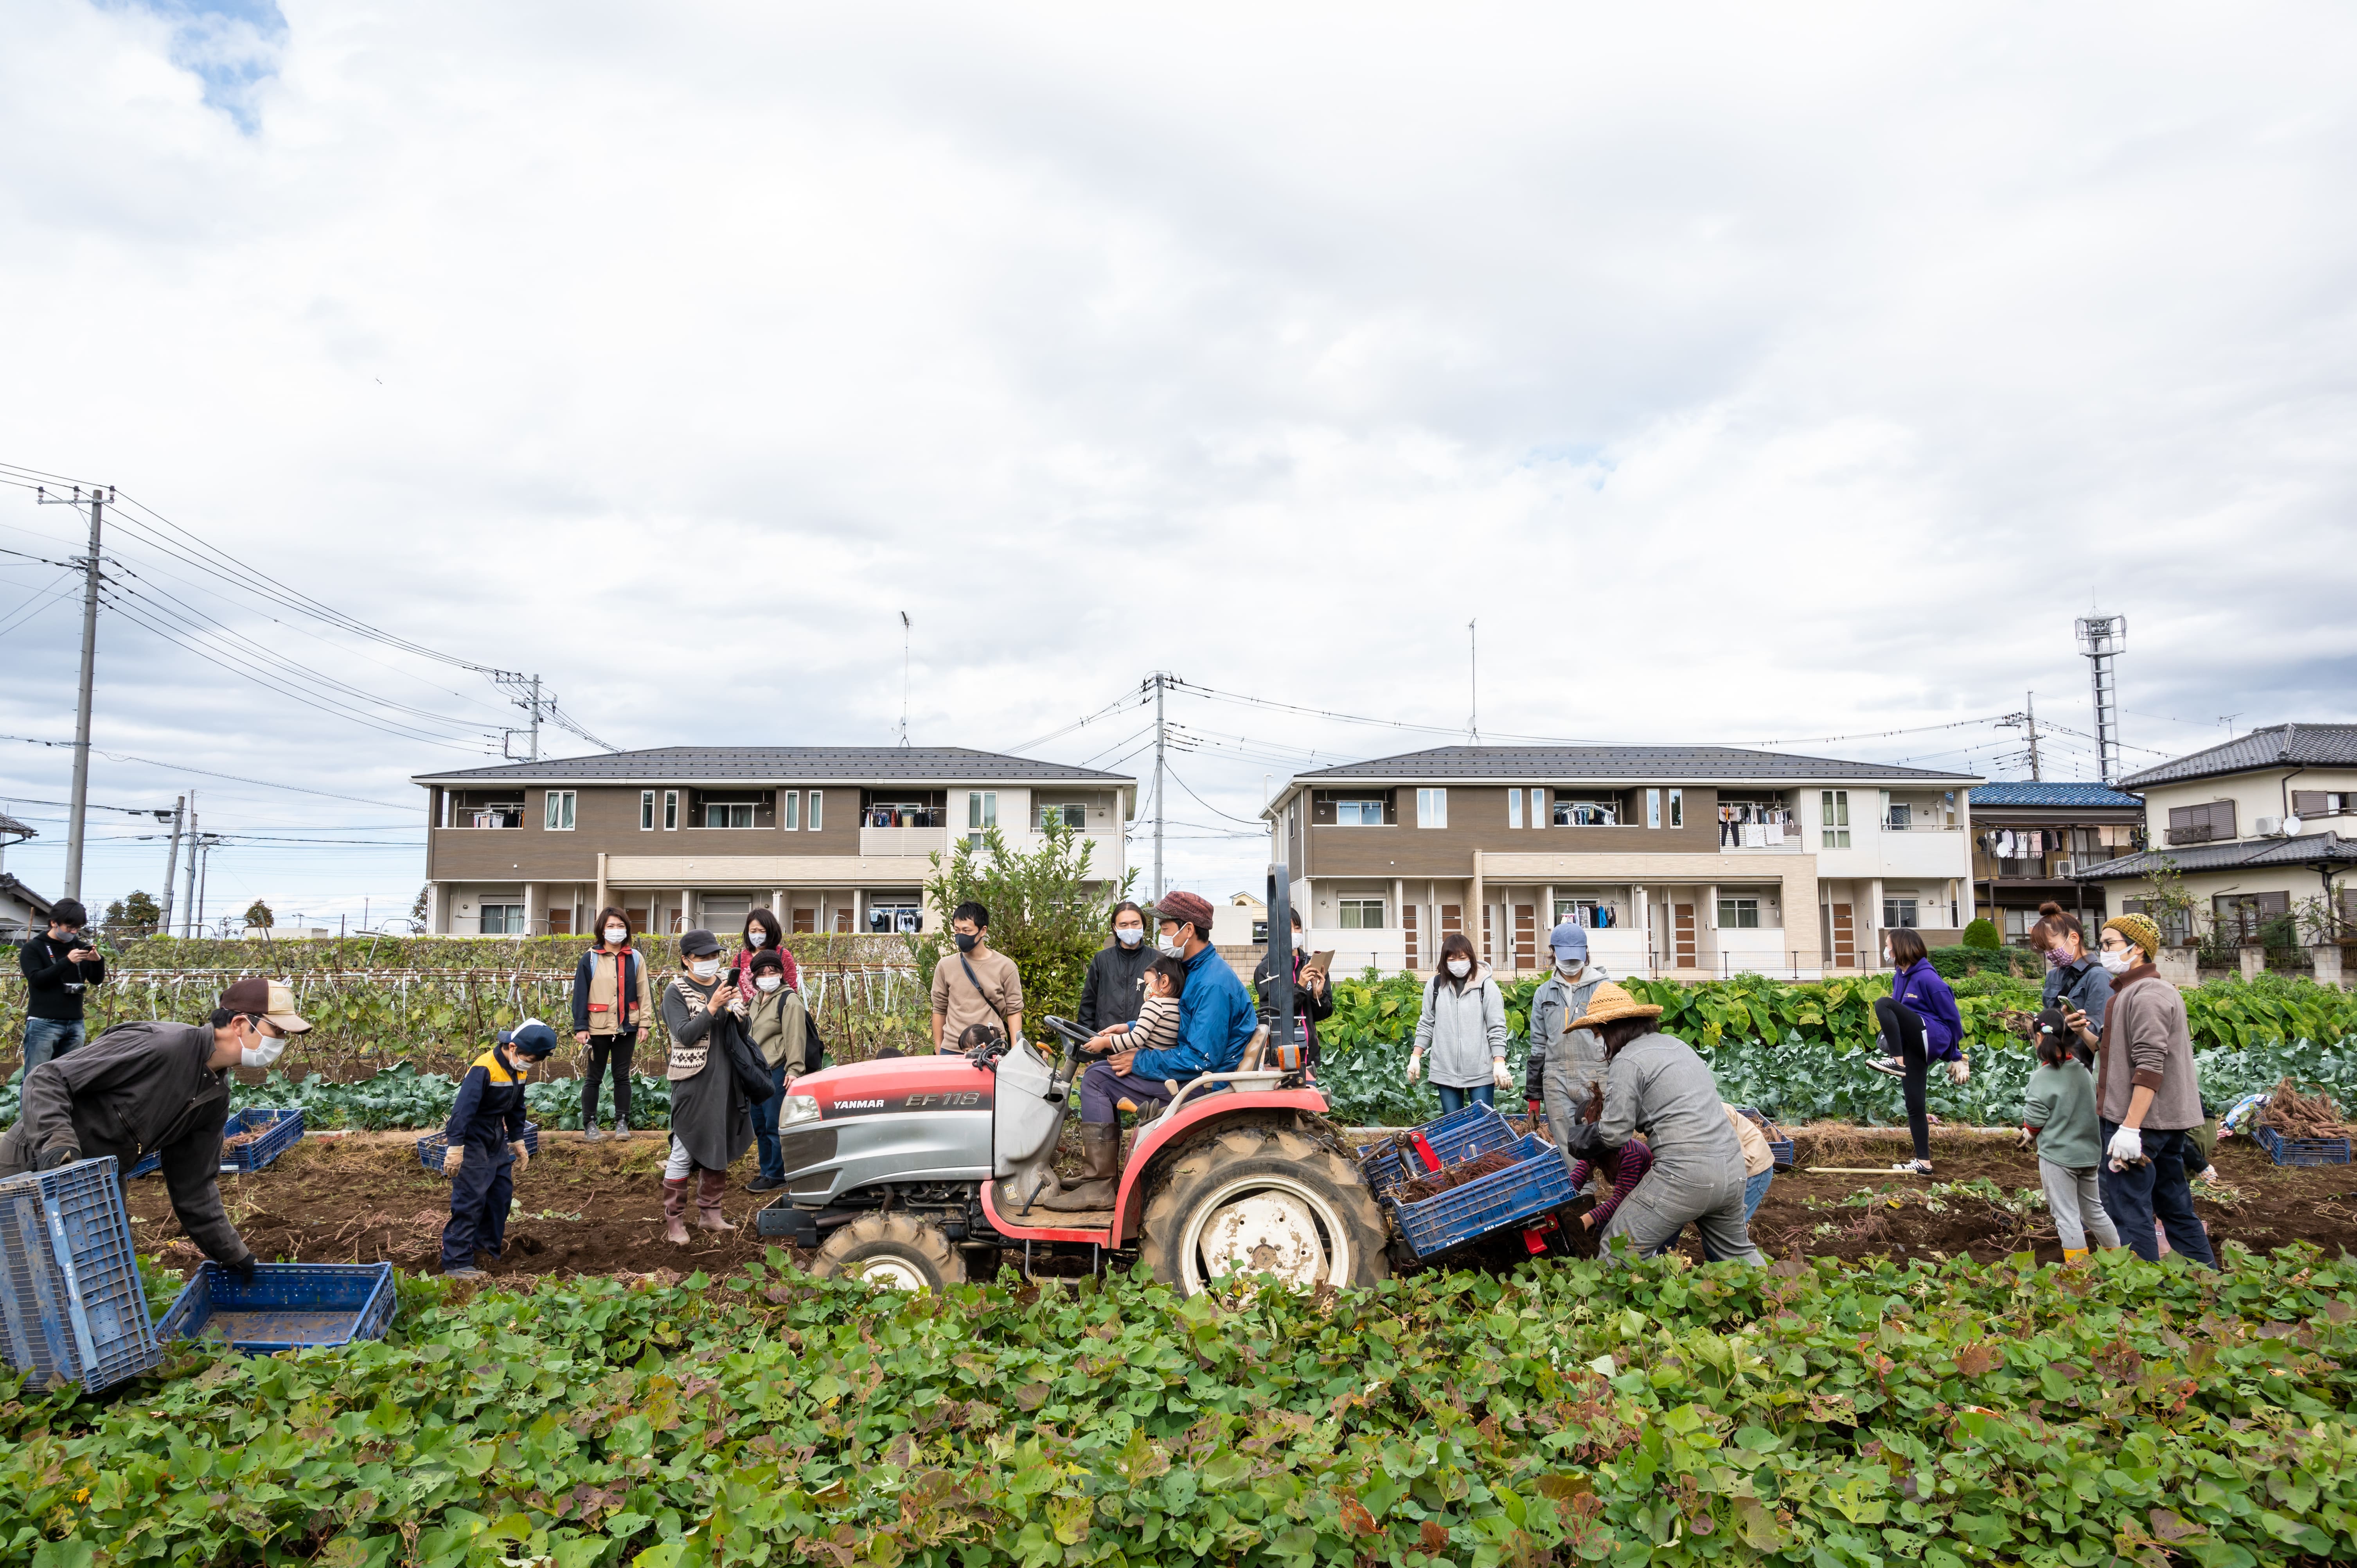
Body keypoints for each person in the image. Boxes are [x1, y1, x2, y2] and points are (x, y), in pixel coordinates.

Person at [0, 976, 304, 1281]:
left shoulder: (214, 1097)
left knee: (101, 1276)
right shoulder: (160, 1045)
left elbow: (194, 1187)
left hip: (100, 1178)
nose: (281, 1041)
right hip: (30, 1159)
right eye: (277, 1031)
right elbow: (48, 1078)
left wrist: (234, 1255)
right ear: (240, 1023)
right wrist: (57, 1142)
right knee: (17, 1269)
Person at [1050, 892, 1255, 1210]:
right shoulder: (1196, 970)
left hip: (1207, 1085)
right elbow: (1173, 1024)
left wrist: (1139, 1058)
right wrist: (1131, 1028)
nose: (1160, 934)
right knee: (1102, 1071)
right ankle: (1100, 1177)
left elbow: (1200, 1059)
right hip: (1203, 1073)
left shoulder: (1211, 983)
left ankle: (1100, 1185)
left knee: (1095, 1078)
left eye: (1165, 926)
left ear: (1188, 930)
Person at [1559, 982, 1762, 1265]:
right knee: (1738, 1253)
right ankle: (1776, 1302)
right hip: (1732, 1169)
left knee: (1618, 1244)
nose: (1598, 1042)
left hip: (1685, 1175)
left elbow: (1615, 1132)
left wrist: (1580, 1139)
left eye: (1597, 1034)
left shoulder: (1627, 1060)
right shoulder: (1678, 1046)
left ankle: (1611, 1309)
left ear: (1611, 1029)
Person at [2067, 913, 2215, 1268]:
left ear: (2137, 949)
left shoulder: (2149, 995)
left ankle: (2140, 1292)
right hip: (2157, 1120)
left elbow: (2150, 1066)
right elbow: (2113, 1053)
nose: (2102, 951)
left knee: (2126, 1205)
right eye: (2101, 944)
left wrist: (2130, 1128)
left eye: (2109, 944)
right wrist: (2084, 1031)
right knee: (2172, 1202)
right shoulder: (2129, 993)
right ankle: (2209, 1280)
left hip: (2143, 1120)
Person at [659, 929, 757, 1243]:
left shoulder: (723, 985)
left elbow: (741, 1033)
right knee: (685, 1147)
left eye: (714, 956)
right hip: (692, 1081)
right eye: (702, 957)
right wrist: (713, 1007)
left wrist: (741, 1017)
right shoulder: (675, 992)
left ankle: (710, 1213)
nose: (710, 962)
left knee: (719, 1143)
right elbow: (685, 1034)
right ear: (686, 960)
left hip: (726, 1079)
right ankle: (675, 1221)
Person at [438, 1018, 557, 1279]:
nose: (530, 1064)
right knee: (470, 1201)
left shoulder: (519, 1067)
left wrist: (517, 1140)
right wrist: (456, 1146)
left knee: (500, 1198)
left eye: (535, 1061)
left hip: (496, 1138)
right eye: (530, 1058)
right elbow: (462, 1111)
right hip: (473, 1138)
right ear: (512, 1047)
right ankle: (456, 1262)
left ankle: (485, 1253)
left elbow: (517, 1107)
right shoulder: (484, 1068)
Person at [2020, 1006, 2119, 1262]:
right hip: (2088, 1155)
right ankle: (2119, 1263)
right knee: (2094, 1211)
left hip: (2058, 1157)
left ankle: (2079, 1275)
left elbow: (2034, 1118)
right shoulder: (2084, 1070)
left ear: (2040, 1039)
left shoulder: (2042, 1077)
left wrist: (2028, 1133)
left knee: (2066, 1216)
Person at [1868, 929, 1964, 1176]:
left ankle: (1897, 1062)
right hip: (1915, 1041)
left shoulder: (1929, 979)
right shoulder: (1900, 975)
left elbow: (1953, 1020)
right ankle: (1924, 1163)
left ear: (1900, 948)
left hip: (1933, 1034)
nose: (1886, 951)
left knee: (1883, 1003)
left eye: (1888, 946)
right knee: (1914, 1103)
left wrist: (1957, 1056)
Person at [1406, 932, 1511, 1115]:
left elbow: (1497, 1028)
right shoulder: (1436, 986)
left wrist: (1499, 1063)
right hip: (1445, 1070)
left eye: (1463, 958)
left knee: (1482, 1127)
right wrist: (1416, 1057)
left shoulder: (1487, 987)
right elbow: (1426, 1023)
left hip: (1480, 1071)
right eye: (1452, 959)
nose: (1458, 962)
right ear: (1444, 961)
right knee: (1453, 1128)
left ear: (1471, 958)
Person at [571, 907, 651, 1141]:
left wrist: (644, 1023)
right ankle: (590, 1124)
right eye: (610, 926)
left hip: (627, 1026)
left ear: (627, 930)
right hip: (597, 1027)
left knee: (622, 1076)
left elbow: (643, 992)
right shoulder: (590, 958)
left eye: (620, 926)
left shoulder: (635, 958)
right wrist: (581, 1027)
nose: (616, 931)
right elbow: (581, 994)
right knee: (594, 1077)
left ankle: (622, 1122)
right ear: (602, 930)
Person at [744, 947, 819, 1192]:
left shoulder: (789, 1000)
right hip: (756, 1072)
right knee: (760, 1125)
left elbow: (795, 1037)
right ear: (755, 977)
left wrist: (794, 1071)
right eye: (763, 973)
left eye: (773, 971)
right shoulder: (755, 1001)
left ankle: (778, 1174)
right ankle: (766, 1170)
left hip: (776, 1070)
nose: (768, 976)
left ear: (781, 973)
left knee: (775, 1124)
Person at [1527, 921, 1610, 1142]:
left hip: (1595, 1075)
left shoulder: (1604, 988)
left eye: (1576, 958)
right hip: (1556, 1079)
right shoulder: (1544, 994)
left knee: (1601, 1141)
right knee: (1567, 1144)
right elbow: (1538, 1046)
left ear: (1585, 953)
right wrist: (1534, 1097)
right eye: (1566, 958)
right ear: (1553, 953)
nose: (1572, 963)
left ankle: (1600, 1178)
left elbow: (1616, 1039)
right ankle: (1580, 1179)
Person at [17, 898, 104, 1081]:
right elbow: (37, 980)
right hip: (43, 1023)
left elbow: (96, 981)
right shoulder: (33, 948)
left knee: (68, 1078)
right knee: (36, 1078)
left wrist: (97, 962)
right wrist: (67, 961)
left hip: (75, 1023)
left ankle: (60, 1111)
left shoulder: (79, 947)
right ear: (54, 923)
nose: (73, 932)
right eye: (69, 927)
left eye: (77, 928)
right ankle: (31, 1112)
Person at [929, 902, 1023, 1053]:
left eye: (967, 931)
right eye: (957, 930)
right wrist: (940, 1049)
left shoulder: (1006, 966)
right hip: (953, 1048)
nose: (961, 936)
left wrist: (1015, 1050)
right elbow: (939, 1009)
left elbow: (1014, 1010)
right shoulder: (945, 966)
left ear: (983, 931)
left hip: (992, 1049)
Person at [1251, 908, 1336, 1071]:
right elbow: (1274, 1013)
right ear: (1276, 934)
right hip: (1280, 1055)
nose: (1295, 934)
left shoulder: (1312, 964)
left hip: (1310, 1056)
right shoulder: (1266, 970)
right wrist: (1301, 986)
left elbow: (1322, 1015)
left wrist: (1319, 995)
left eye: (1297, 928)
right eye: (1288, 929)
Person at [2031, 902, 2110, 1067]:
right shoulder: (2054, 975)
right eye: (2044, 950)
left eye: (2051, 947)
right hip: (2055, 1064)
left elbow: (2098, 1035)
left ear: (2074, 938)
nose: (2049, 954)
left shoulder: (2099, 977)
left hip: (2083, 1068)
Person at [1078, 901, 1154, 1035]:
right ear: (1115, 927)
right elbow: (1088, 1005)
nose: (1130, 929)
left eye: (1135, 924)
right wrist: (1086, 1043)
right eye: (1124, 925)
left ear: (1143, 923)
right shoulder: (1102, 960)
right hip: (1105, 1042)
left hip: (1144, 1045)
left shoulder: (1158, 960)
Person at [1566, 1134, 1653, 1236]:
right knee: (1600, 1229)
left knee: (1623, 1235)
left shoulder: (1630, 1153)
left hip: (1653, 1201)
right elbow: (1579, 1174)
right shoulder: (1595, 1146)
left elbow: (1621, 1198)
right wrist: (1564, 1199)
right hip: (1633, 1194)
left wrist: (1586, 1220)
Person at [731, 908, 797, 1000]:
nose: (757, 936)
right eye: (753, 932)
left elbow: (792, 988)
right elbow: (732, 989)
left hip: (776, 1011)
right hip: (747, 1012)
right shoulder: (740, 958)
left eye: (762, 931)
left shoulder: (783, 955)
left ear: (771, 931)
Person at [1727, 1105, 1776, 1223]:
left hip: (1753, 1172)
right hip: (1741, 1166)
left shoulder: (1716, 1115)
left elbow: (1741, 1160)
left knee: (1730, 1227)